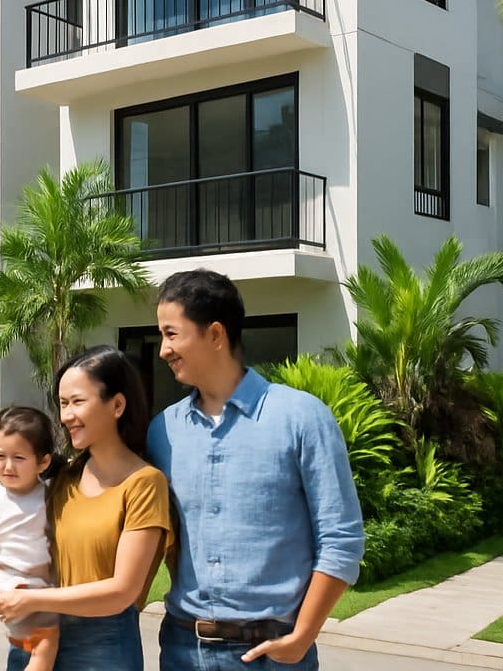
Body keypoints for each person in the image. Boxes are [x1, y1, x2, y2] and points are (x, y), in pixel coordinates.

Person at [147, 269, 365, 670]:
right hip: (181, 649)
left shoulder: (301, 418)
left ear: (215, 335)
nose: (163, 349)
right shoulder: (164, 431)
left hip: (272, 654)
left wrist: (302, 637)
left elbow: (342, 540)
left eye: (171, 333)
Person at [0, 346, 173, 671]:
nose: (65, 416)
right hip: (35, 637)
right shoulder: (61, 478)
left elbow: (123, 591)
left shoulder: (144, 483)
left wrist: (32, 599)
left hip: (103, 645)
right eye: (62, 404)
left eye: (77, 402)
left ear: (117, 404)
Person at [0, 406, 60, 671]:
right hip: (9, 586)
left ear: (43, 462)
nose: (7, 466)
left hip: (43, 588)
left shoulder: (50, 496)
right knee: (43, 638)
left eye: (19, 457)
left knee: (42, 633)